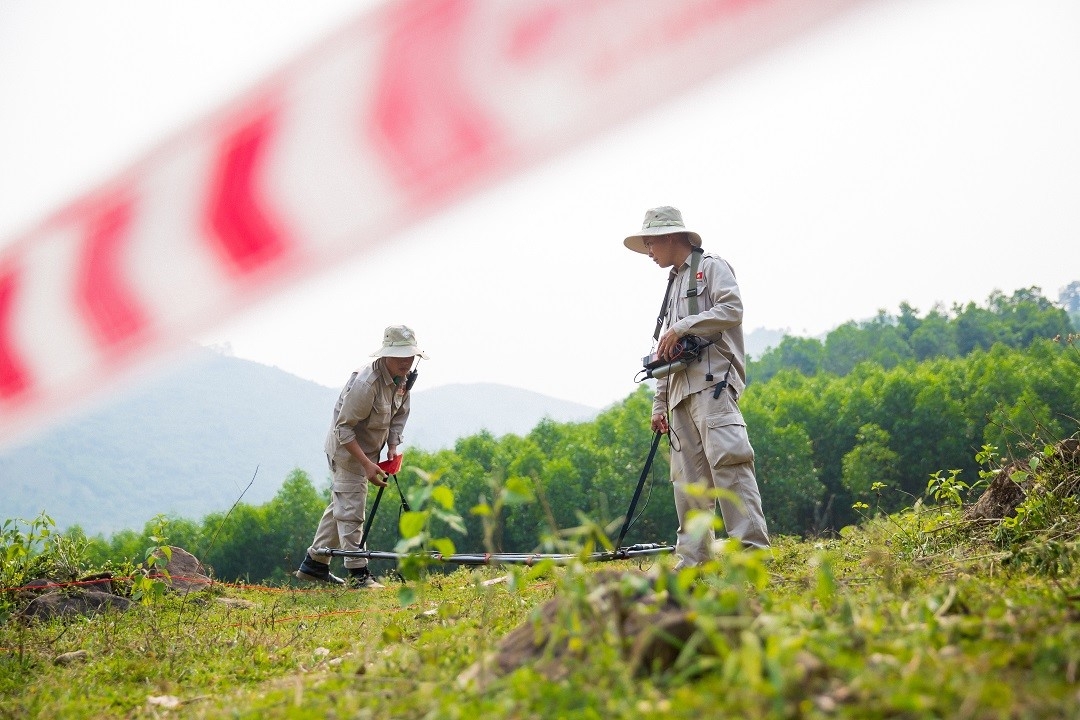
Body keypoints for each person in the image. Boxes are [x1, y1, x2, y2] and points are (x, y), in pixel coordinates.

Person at [624, 206, 769, 568]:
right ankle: (694, 562)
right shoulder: (672, 285)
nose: (649, 251)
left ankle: (752, 553)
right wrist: (660, 405)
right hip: (679, 397)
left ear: (672, 236)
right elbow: (667, 353)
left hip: (712, 386)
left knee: (730, 466)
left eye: (651, 243)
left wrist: (685, 325)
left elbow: (732, 309)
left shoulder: (712, 268)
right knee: (687, 485)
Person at [295, 325, 427, 588]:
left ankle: (314, 564)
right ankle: (358, 574)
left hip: (371, 450)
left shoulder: (403, 378)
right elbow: (343, 428)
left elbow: (399, 415)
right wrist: (367, 464)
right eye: (400, 355)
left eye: (409, 355)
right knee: (352, 510)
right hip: (347, 452)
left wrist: (391, 446)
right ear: (385, 354)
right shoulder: (366, 384)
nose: (405, 362)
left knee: (343, 505)